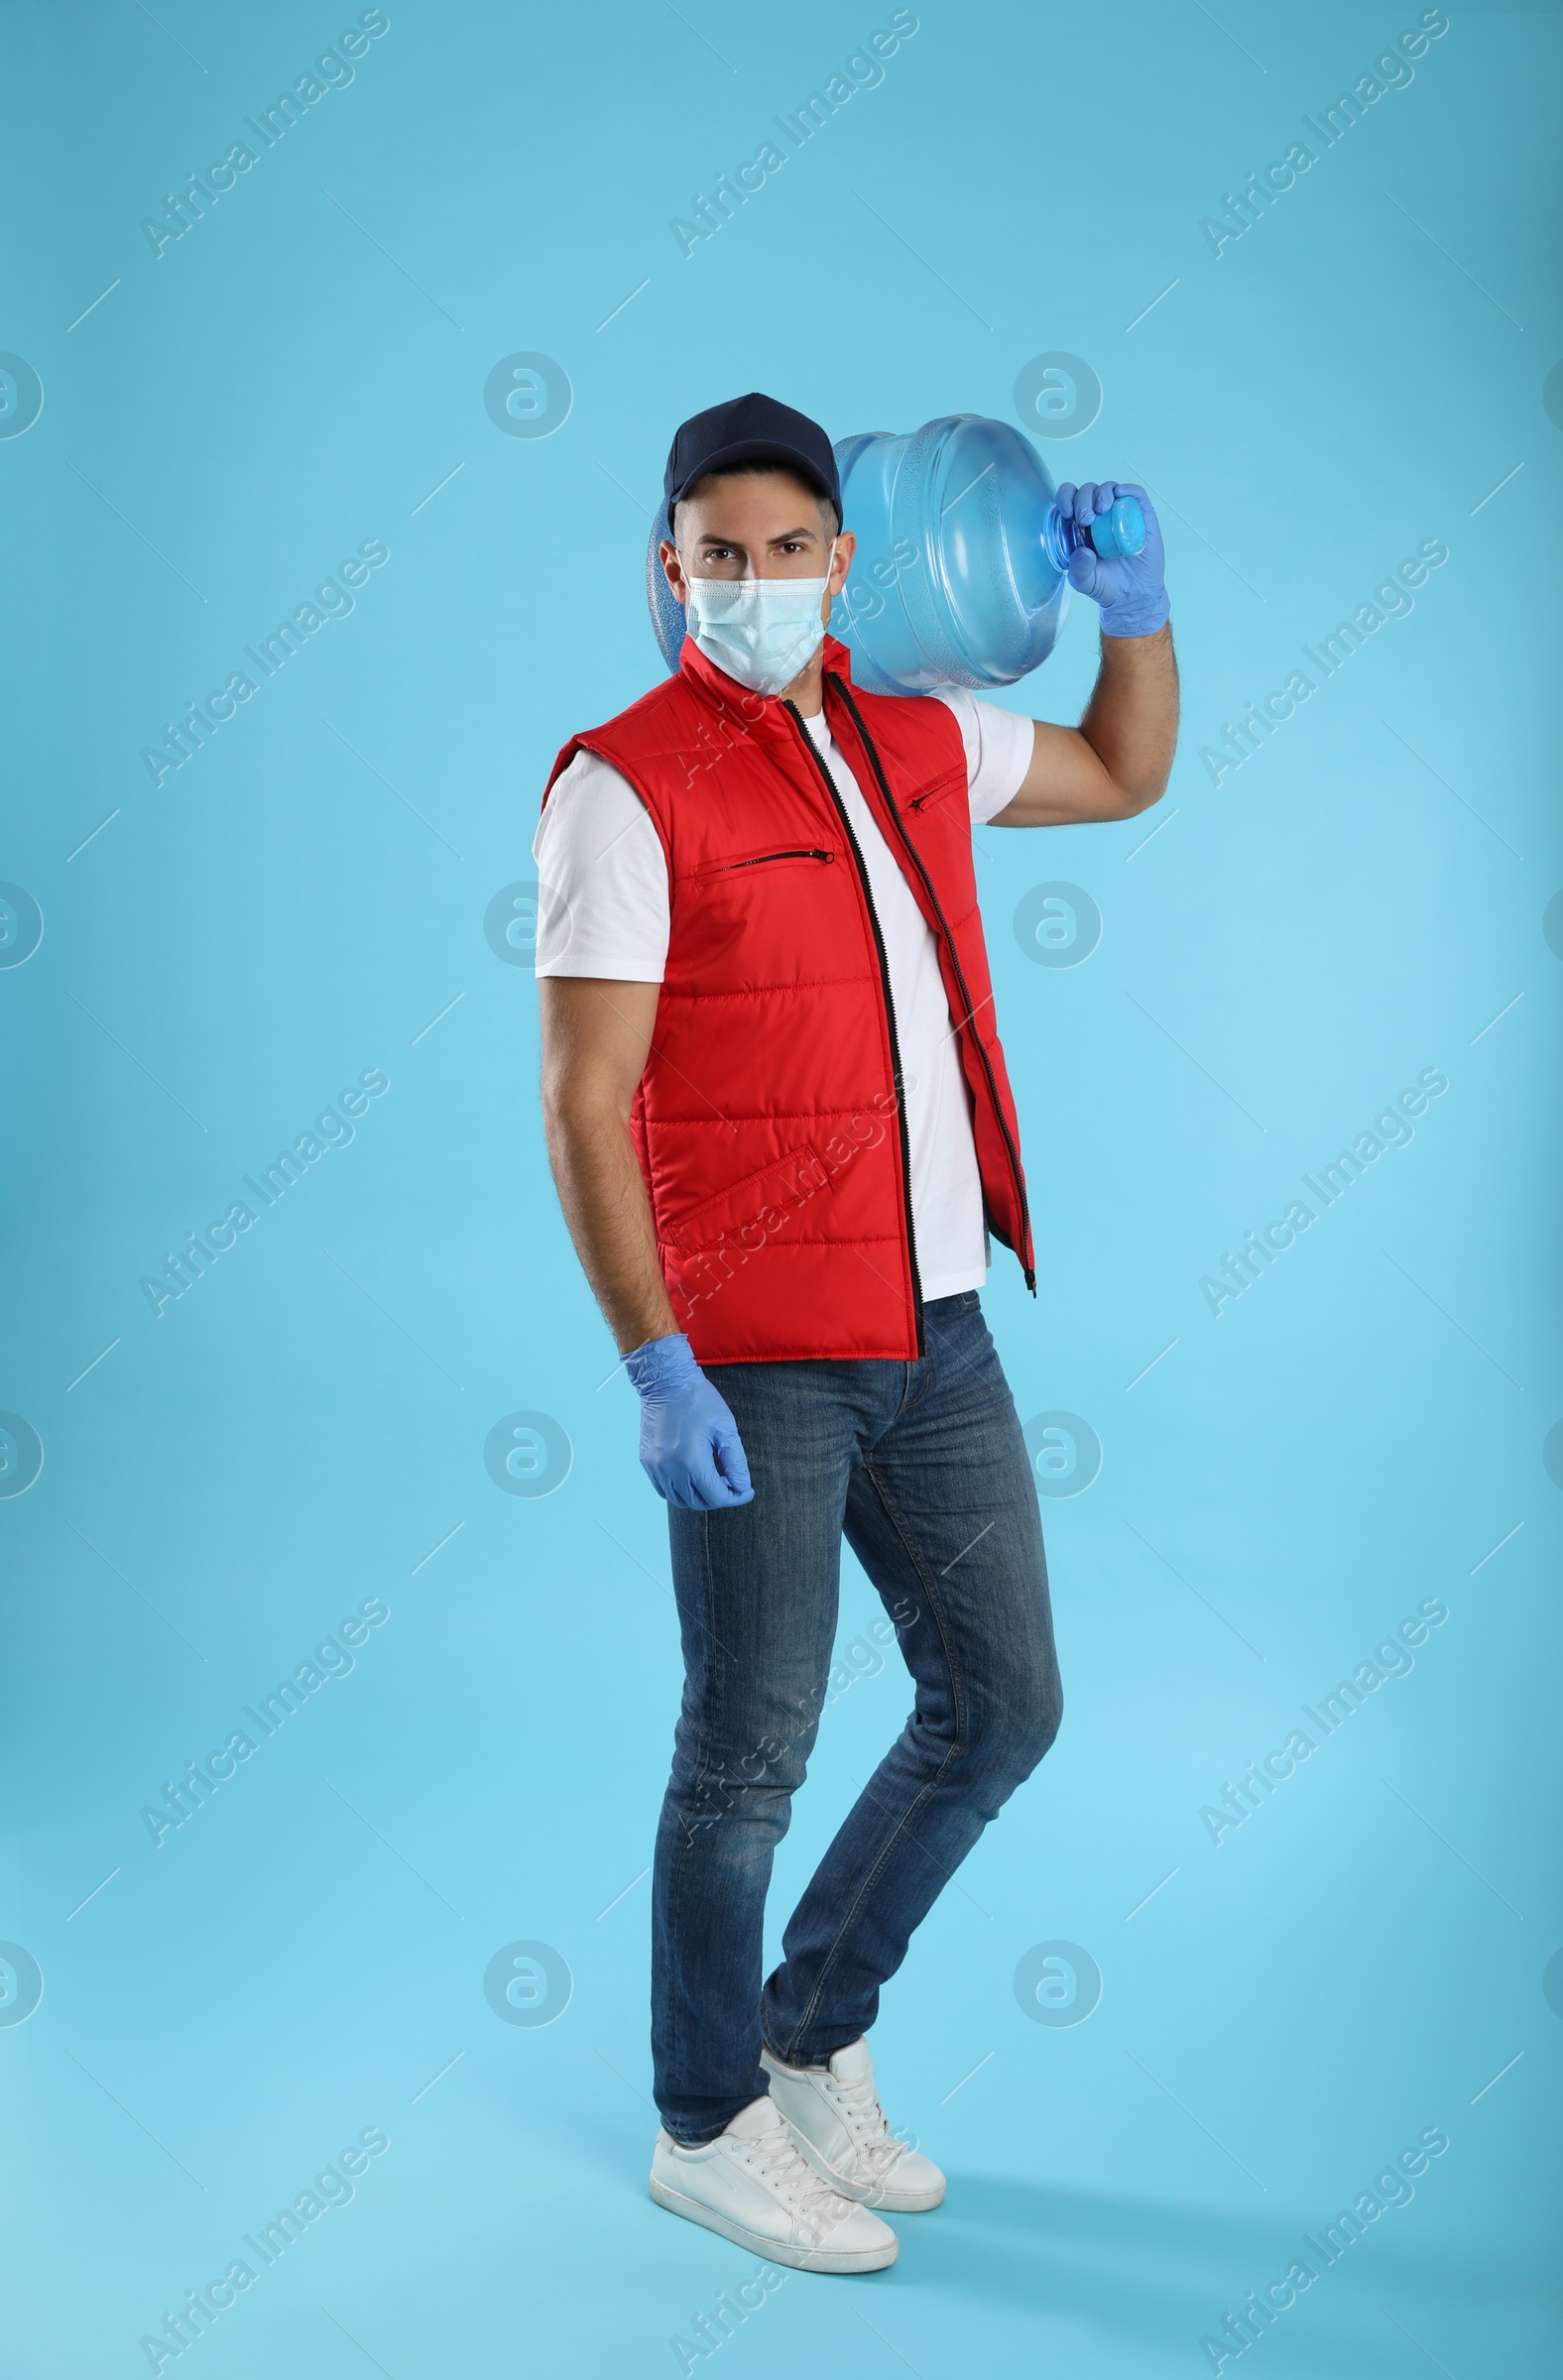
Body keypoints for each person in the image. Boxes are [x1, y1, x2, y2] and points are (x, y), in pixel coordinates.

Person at [536, 394, 1177, 2274]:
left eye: (785, 550)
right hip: (752, 1342)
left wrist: (1137, 612)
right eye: (714, 555)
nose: (751, 582)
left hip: (939, 1320)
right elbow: (586, 1103)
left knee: (1005, 1703)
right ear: (675, 566)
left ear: (843, 559)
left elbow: (1123, 775)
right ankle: (701, 2120)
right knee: (750, 1745)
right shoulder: (623, 781)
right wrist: (656, 1359)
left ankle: (808, 2037)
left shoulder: (915, 735)